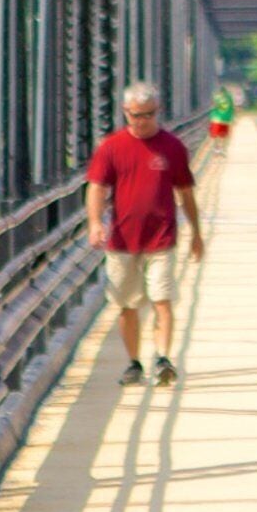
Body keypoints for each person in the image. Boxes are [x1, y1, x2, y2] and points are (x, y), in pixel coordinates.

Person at [86, 81, 207, 388]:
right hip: (123, 240)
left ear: (158, 111)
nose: (141, 121)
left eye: (148, 115)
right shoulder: (112, 147)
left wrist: (195, 232)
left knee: (162, 299)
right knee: (127, 305)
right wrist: (95, 222)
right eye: (135, 115)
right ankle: (134, 362)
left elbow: (186, 192)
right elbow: (97, 187)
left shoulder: (172, 147)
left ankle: (164, 358)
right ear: (126, 112)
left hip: (162, 238)